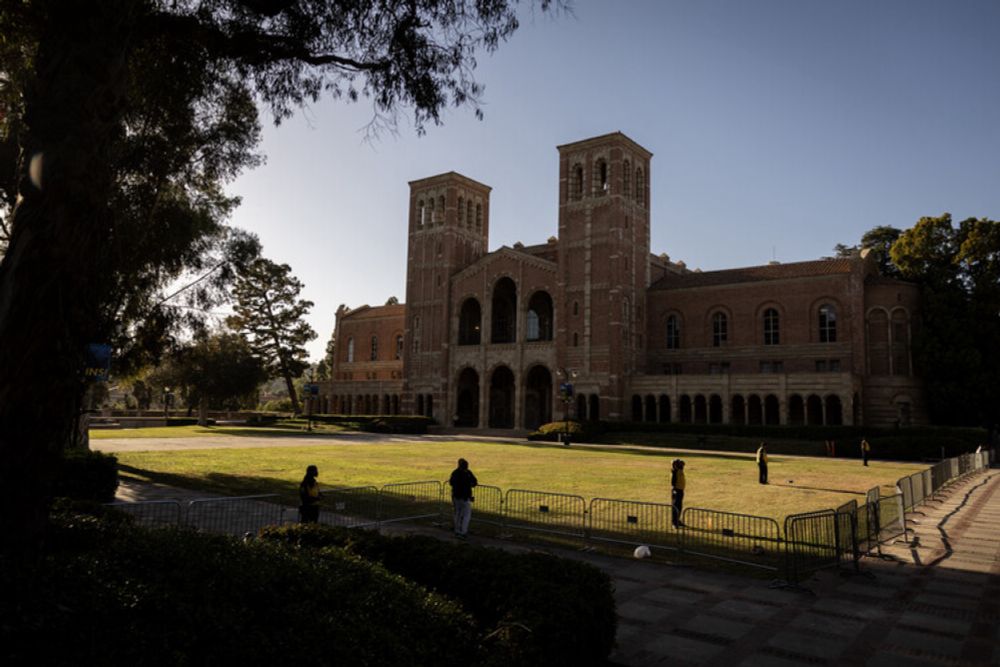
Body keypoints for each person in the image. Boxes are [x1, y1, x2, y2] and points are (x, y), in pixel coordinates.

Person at [448, 458, 478, 538]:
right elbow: (474, 482)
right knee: (466, 515)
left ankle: (457, 530)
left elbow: (451, 482)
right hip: (465, 498)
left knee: (457, 514)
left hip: (456, 497)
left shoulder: (455, 473)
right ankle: (463, 532)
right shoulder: (467, 473)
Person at [670, 459, 686, 528]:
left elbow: (683, 463)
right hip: (676, 491)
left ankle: (677, 520)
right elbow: (673, 483)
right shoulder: (675, 472)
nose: (682, 465)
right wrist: (674, 491)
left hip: (681, 490)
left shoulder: (680, 470)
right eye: (679, 464)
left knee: (679, 506)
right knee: (676, 507)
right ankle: (674, 523)